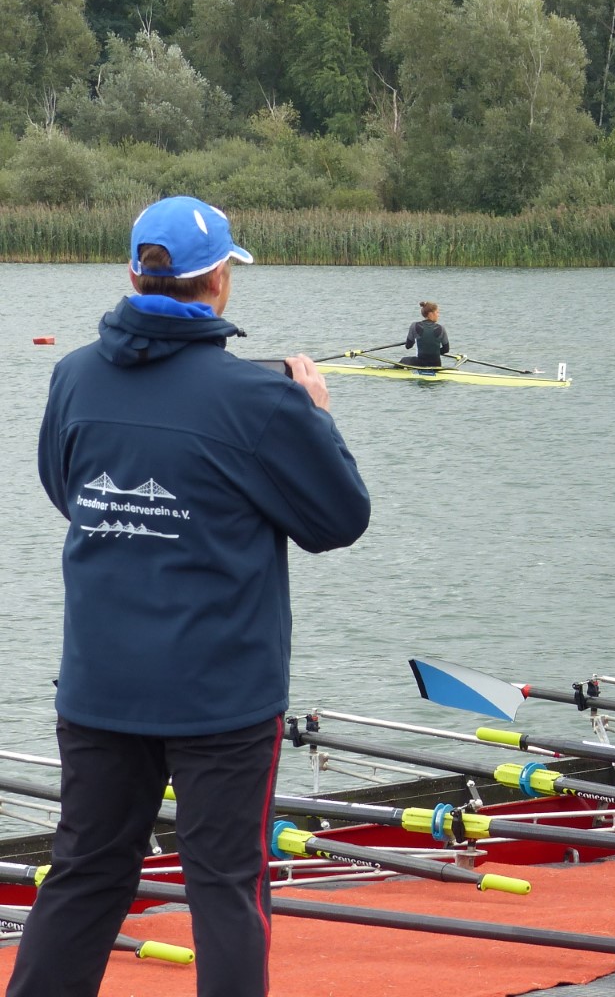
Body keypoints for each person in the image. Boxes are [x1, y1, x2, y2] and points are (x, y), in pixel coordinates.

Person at [12, 196, 372, 997]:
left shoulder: (74, 375)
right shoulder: (259, 398)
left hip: (101, 684)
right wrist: (317, 416)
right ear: (219, 282)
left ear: (132, 273)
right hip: (221, 697)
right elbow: (338, 520)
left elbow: (68, 494)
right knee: (226, 886)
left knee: (85, 874)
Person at [401, 300, 449, 367]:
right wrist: (434, 352)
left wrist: (413, 341)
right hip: (436, 364)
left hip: (420, 363)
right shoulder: (441, 328)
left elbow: (408, 346)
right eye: (437, 312)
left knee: (403, 360)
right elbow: (446, 349)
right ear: (430, 314)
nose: (438, 315)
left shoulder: (414, 326)